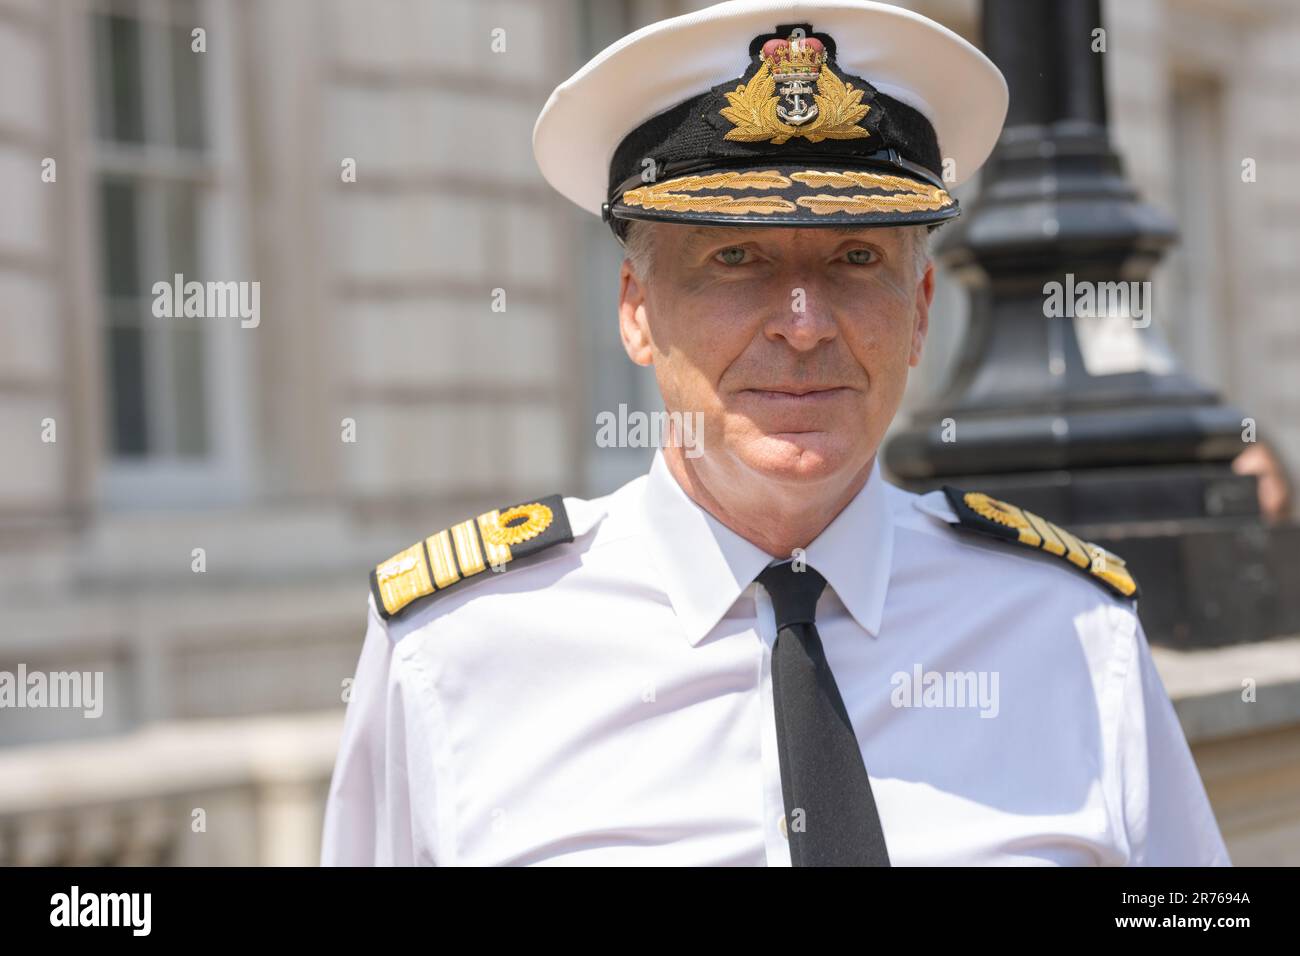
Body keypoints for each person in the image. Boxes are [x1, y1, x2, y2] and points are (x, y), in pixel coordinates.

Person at [319, 0, 1230, 866]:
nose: (803, 323)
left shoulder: (1069, 633)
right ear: (636, 311)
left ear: (918, 312)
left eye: (856, 259)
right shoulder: (456, 651)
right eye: (736, 258)